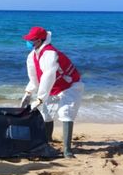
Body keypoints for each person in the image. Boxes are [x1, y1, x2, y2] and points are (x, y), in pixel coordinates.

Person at [20, 26, 84, 158]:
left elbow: (48, 77)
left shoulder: (50, 53)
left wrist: (40, 98)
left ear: (40, 40)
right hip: (54, 88)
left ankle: (67, 150)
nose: (29, 42)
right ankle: (47, 141)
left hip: (70, 86)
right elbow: (35, 78)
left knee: (65, 112)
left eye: (32, 40)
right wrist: (28, 93)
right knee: (45, 113)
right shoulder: (32, 55)